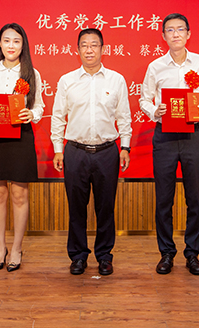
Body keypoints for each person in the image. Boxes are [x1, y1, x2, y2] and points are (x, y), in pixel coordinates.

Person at [139, 13, 199, 275]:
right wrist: (155, 110)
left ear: (188, 34)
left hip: (193, 135)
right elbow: (144, 99)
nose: (175, 34)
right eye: (170, 30)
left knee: (194, 198)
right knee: (164, 198)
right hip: (165, 136)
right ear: (163, 36)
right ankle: (166, 253)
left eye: (180, 29)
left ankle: (193, 253)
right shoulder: (155, 66)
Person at [51, 28, 132, 276]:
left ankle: (105, 256)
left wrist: (125, 146)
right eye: (84, 45)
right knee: (77, 208)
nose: (89, 50)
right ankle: (78, 256)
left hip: (107, 151)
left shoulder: (116, 80)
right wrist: (58, 150)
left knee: (105, 207)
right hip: (75, 151)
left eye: (94, 45)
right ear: (77, 50)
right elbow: (58, 117)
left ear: (103, 49)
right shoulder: (67, 81)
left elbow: (124, 116)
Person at [0, 23, 44, 272]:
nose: (11, 46)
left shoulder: (31, 73)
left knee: (19, 195)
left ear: (23, 45)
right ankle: (0, 248)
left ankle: (16, 248)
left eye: (16, 41)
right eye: (6, 41)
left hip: (21, 135)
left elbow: (39, 106)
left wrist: (31, 114)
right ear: (0, 44)